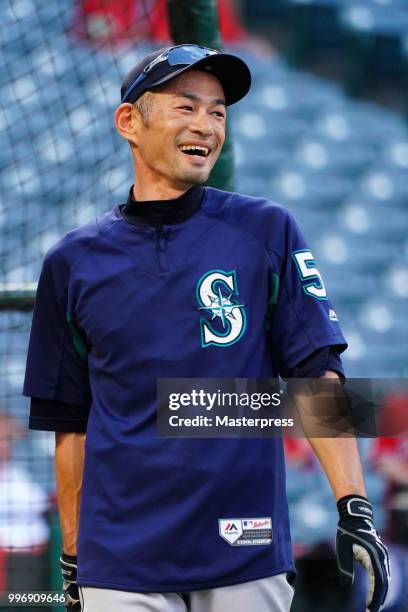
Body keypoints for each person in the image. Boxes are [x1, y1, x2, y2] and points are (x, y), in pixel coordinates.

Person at [23, 44, 390, 612]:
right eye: (186, 106)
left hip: (244, 551)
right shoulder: (71, 262)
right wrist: (72, 558)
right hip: (120, 562)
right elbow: (68, 424)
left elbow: (317, 378)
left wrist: (354, 506)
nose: (206, 125)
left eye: (218, 112)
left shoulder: (267, 229)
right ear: (129, 122)